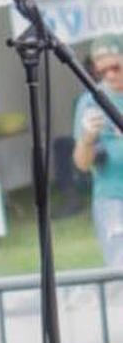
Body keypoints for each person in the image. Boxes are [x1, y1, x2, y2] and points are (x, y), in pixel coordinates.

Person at [73, 34, 123, 268]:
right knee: (119, 269)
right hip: (112, 198)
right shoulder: (90, 102)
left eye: (116, 67)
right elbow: (82, 164)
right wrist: (87, 139)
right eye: (102, 71)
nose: (110, 75)